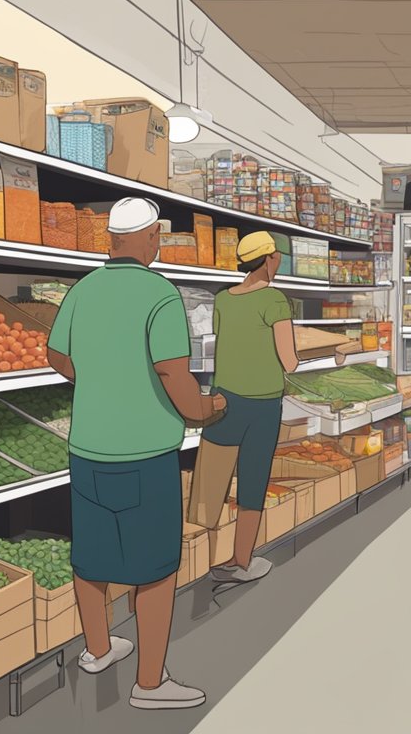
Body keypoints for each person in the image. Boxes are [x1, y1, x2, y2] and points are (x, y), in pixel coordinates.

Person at [48, 197, 226, 710]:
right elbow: (175, 377)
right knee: (155, 568)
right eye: (156, 236)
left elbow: (57, 354)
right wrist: (208, 408)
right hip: (144, 455)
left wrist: (99, 383)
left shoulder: (82, 289)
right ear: (150, 237)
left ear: (110, 240)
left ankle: (99, 650)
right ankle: (150, 684)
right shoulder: (159, 294)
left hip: (87, 451)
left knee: (92, 558)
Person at [189, 231, 299, 584]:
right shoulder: (275, 300)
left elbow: (229, 342)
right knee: (252, 483)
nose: (278, 261)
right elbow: (290, 361)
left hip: (225, 400)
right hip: (263, 406)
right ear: (268, 259)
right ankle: (240, 561)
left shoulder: (223, 299)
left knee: (209, 483)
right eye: (277, 256)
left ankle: (198, 560)